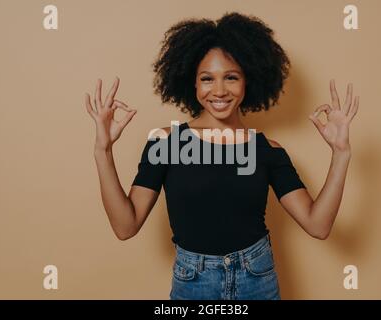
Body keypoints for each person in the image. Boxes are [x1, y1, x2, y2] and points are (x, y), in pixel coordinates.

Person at [85, 12, 359, 300]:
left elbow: (318, 225)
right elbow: (125, 226)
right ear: (192, 82)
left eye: (231, 77)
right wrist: (102, 150)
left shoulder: (268, 151)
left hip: (258, 280)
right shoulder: (165, 143)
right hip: (193, 283)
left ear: (247, 81)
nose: (219, 90)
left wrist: (341, 153)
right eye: (207, 78)